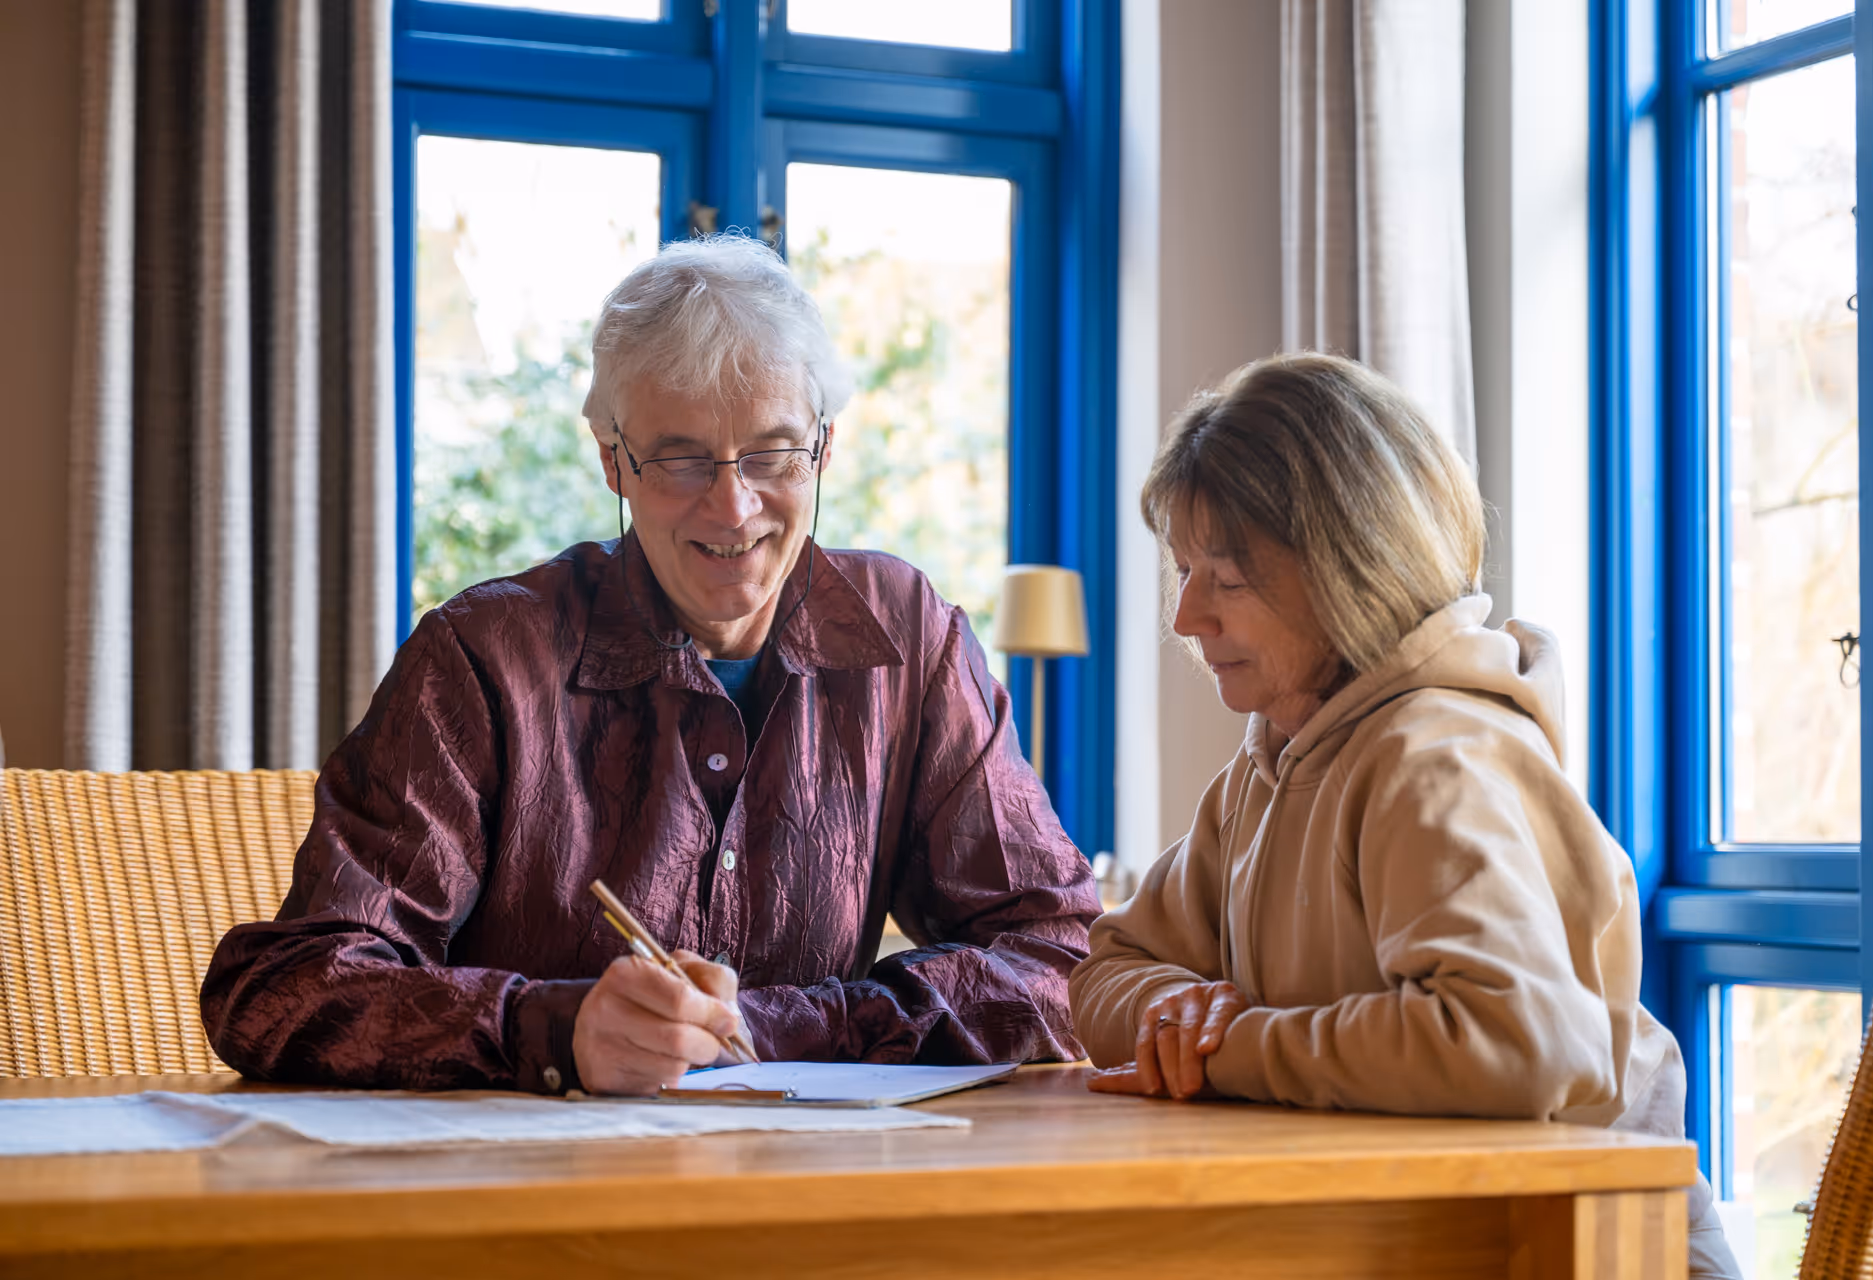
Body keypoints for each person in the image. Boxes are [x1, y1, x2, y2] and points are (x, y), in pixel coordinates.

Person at [203, 234, 1098, 1097]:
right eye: (680, 460)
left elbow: (1061, 956)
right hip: (536, 1183)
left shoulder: (908, 638)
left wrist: (779, 1025)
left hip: (811, 1178)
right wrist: (554, 1032)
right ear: (614, 463)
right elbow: (285, 987)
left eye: (773, 452)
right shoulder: (482, 658)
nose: (733, 505)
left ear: (823, 448)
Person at [1068, 353, 1740, 1278]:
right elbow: (1105, 970)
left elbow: (1517, 1045)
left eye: (1225, 578)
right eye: (1183, 572)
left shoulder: (1436, 758)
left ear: (1349, 566)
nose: (1186, 617)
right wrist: (1175, 1013)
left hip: (1579, 1250)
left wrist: (1228, 1047)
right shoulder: (1266, 768)